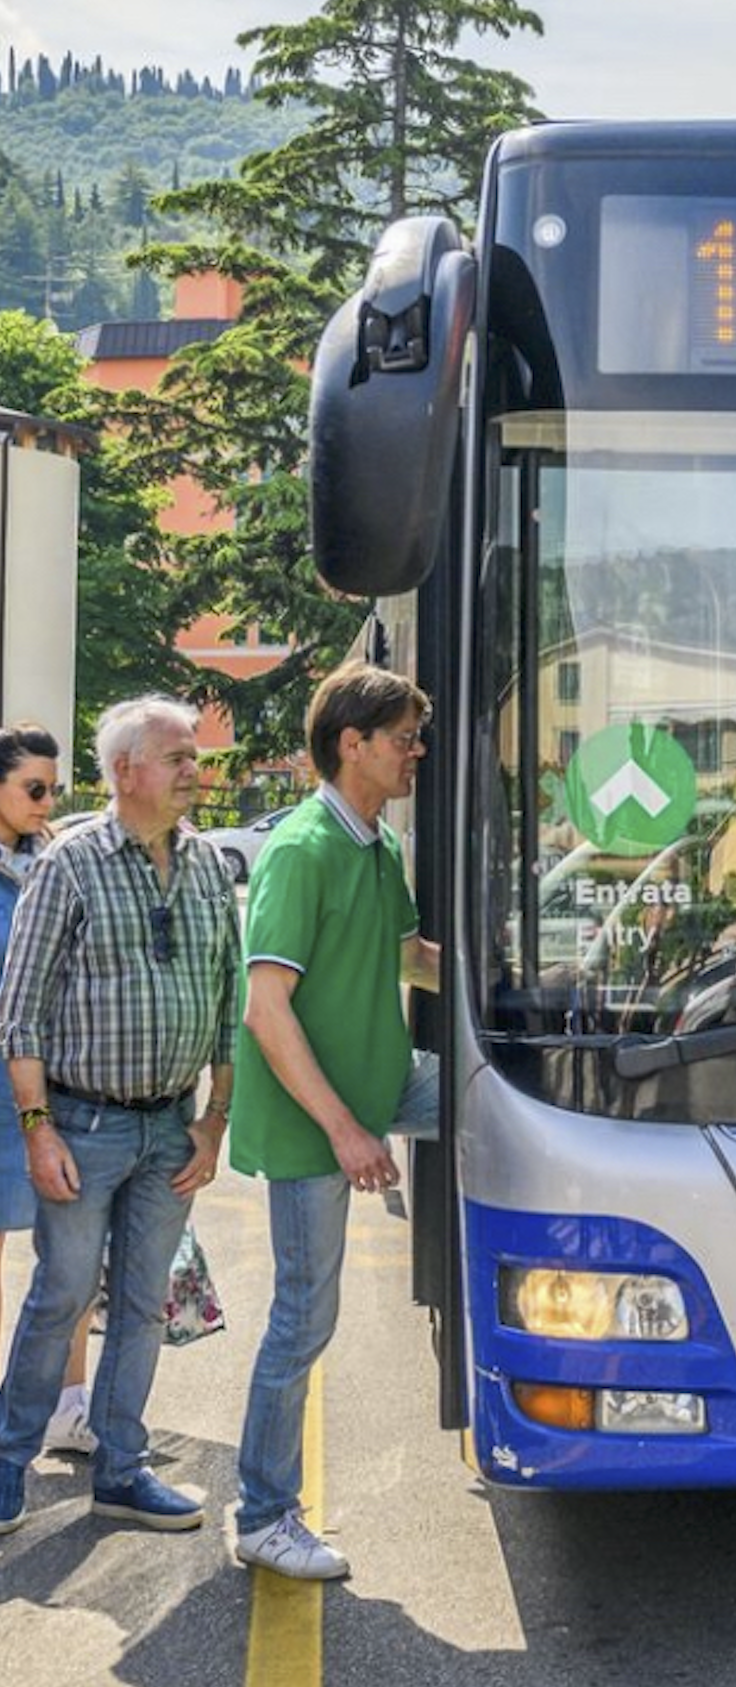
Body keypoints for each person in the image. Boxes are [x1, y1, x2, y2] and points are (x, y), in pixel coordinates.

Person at [0, 695, 239, 1539]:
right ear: (125, 772)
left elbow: (226, 1005)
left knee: (140, 1306)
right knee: (60, 1296)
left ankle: (121, 1471)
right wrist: (38, 1128)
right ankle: (5, 1469)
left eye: (195, 758)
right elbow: (19, 1011)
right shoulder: (67, 865)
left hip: (171, 1128)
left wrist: (214, 1123)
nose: (194, 772)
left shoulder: (211, 867)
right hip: (84, 1125)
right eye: (177, 758)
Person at [231, 661, 439, 1582]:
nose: (416, 752)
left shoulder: (375, 847)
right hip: (317, 1123)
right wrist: (350, 1134)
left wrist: (528, 975)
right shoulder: (303, 848)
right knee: (303, 1319)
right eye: (403, 738)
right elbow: (265, 1010)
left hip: (385, 1084)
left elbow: (410, 959)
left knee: (497, 1103)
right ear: (351, 745)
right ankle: (263, 1514)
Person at [0, 725, 96, 1458]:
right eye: (35, 787)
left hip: (48, 1091)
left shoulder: (52, 861)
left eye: (53, 788)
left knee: (69, 1260)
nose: (49, 801)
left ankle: (68, 1407)